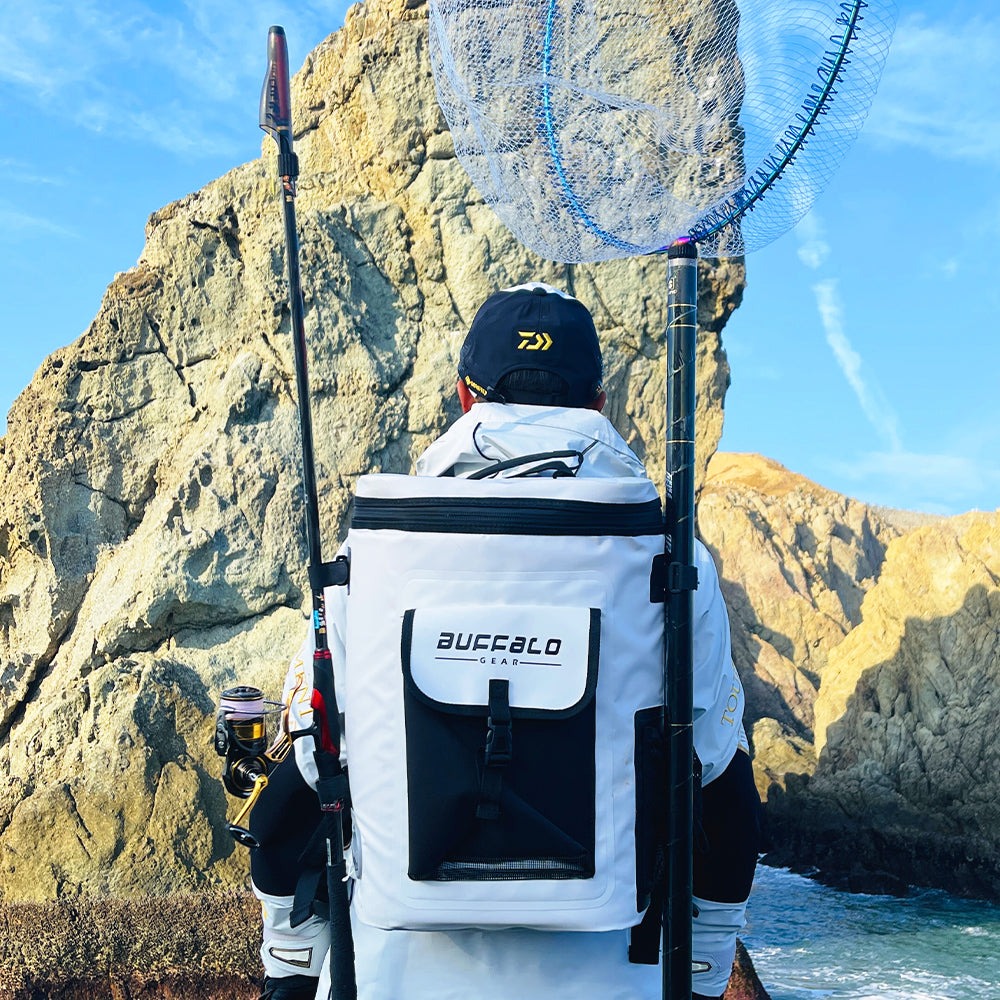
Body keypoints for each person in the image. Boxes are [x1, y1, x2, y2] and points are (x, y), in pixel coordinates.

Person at [248, 282, 761, 1000]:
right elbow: (722, 794)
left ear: (465, 396)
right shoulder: (674, 561)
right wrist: (700, 973)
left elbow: (310, 770)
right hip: (619, 978)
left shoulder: (372, 554)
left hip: (396, 978)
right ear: (599, 403)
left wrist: (290, 965)